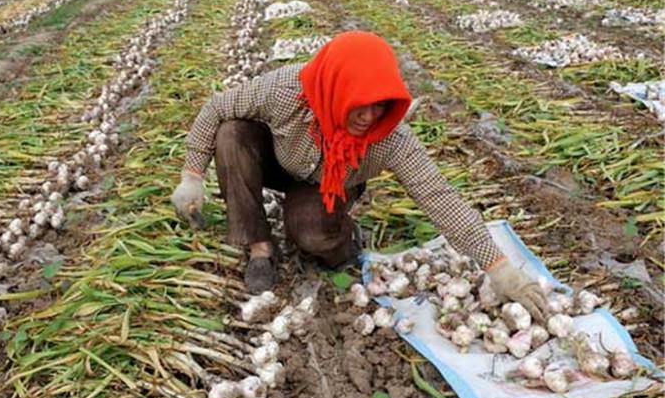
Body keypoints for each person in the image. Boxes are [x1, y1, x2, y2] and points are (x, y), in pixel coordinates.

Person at [171, 31, 547, 321]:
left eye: (379, 105)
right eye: (360, 103)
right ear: (337, 88)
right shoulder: (288, 90)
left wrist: (499, 267)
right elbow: (216, 109)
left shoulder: (390, 139)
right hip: (278, 159)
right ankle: (259, 249)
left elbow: (439, 196)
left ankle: (343, 236)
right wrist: (192, 174)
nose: (369, 116)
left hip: (329, 184)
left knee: (313, 235)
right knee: (232, 133)